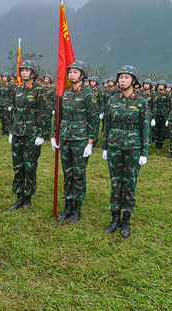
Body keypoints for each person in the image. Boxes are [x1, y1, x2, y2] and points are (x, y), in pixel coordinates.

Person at [101, 65, 150, 238]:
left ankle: (126, 220)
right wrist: (105, 146)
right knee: (115, 182)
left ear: (133, 80)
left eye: (126, 77)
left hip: (133, 147)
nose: (122, 80)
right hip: (114, 145)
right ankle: (114, 218)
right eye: (121, 77)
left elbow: (144, 127)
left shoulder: (141, 102)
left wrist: (144, 152)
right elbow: (106, 124)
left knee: (129, 183)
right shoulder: (112, 100)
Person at [51, 60, 98, 223]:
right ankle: (67, 206)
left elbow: (93, 119)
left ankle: (77, 208)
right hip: (65, 136)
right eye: (70, 72)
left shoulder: (88, 94)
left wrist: (91, 142)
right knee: (67, 172)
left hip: (81, 138)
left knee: (78, 173)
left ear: (82, 75)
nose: (71, 75)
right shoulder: (65, 92)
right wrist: (53, 134)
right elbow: (59, 114)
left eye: (75, 72)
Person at [8, 60, 46, 210]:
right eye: (22, 70)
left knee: (30, 165)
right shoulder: (17, 89)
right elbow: (14, 111)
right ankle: (19, 196)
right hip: (18, 131)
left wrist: (41, 134)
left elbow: (42, 113)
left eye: (27, 70)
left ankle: (28, 198)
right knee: (18, 165)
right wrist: (12, 130)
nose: (24, 72)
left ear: (34, 72)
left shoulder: (39, 90)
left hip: (31, 132)